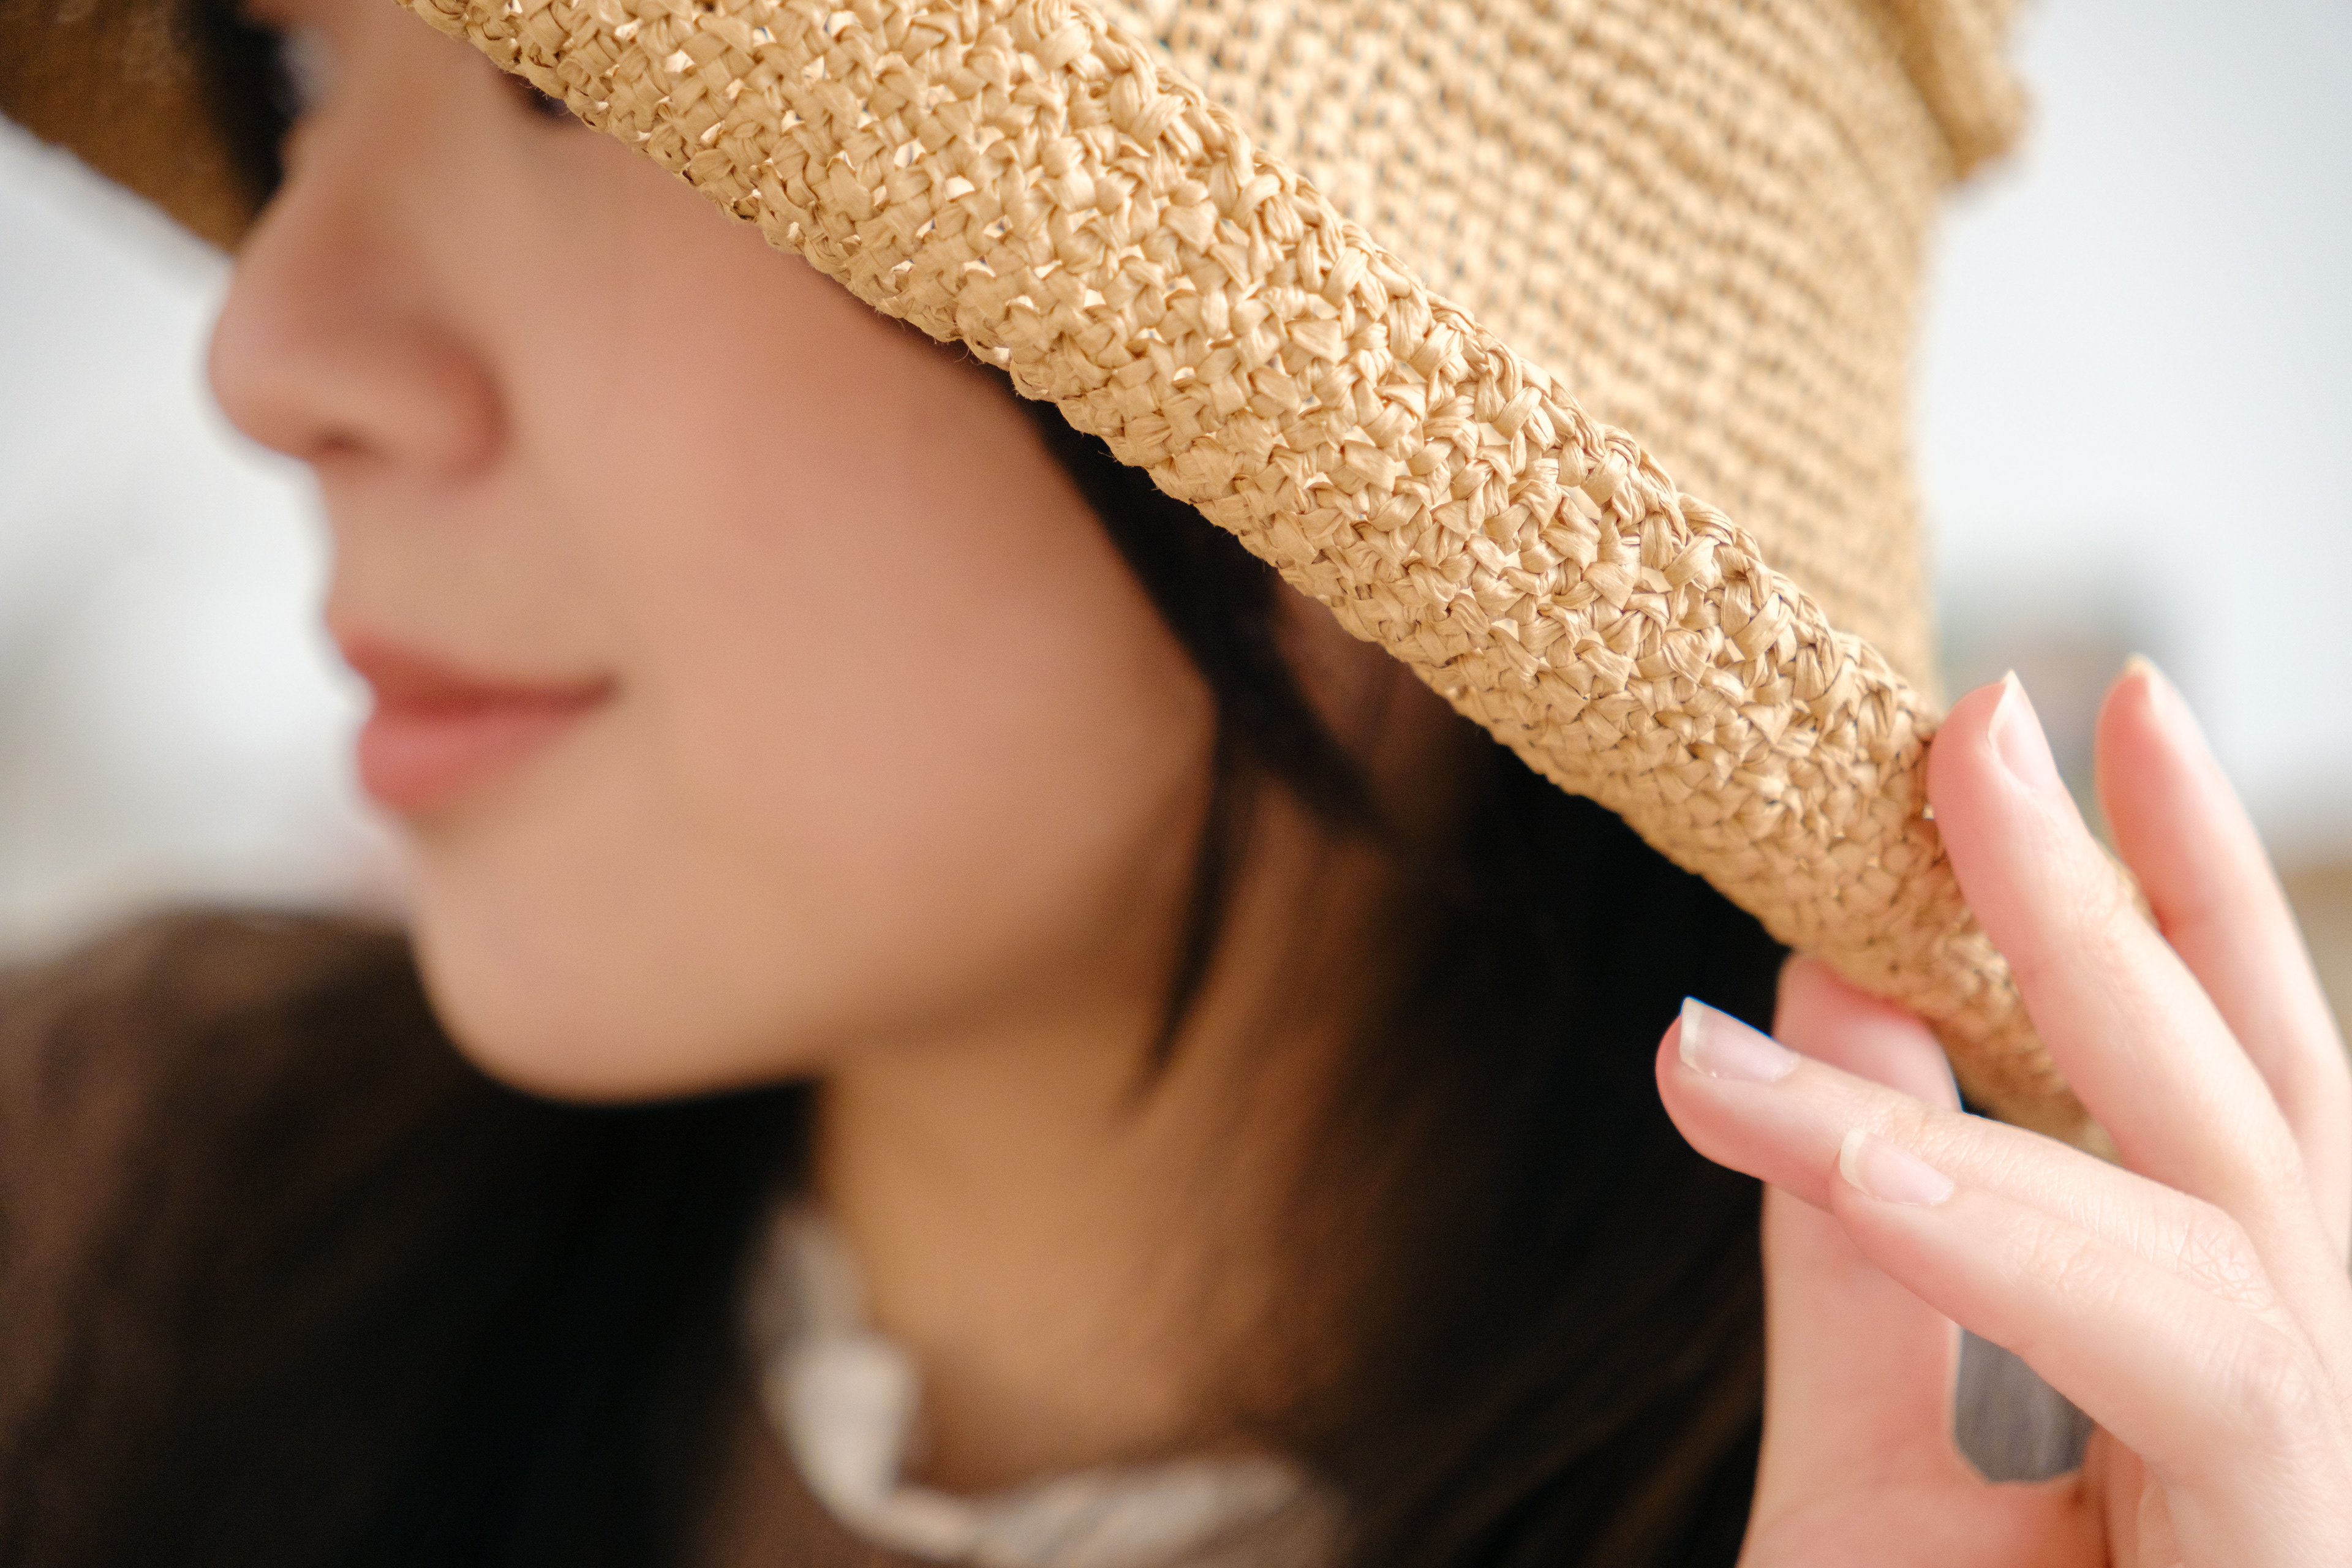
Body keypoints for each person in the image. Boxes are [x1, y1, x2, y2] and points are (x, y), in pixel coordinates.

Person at [2, 0, 2348, 1564]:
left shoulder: (2016, 1510)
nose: (270, 349)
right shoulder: (99, 1225)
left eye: (574, 92)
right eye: (296, 76)